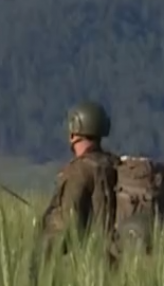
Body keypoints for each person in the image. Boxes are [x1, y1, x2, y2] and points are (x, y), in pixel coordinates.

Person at [38, 101, 119, 264]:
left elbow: (68, 225)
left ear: (74, 131)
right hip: (117, 259)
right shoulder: (115, 164)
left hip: (92, 264)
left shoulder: (79, 171)